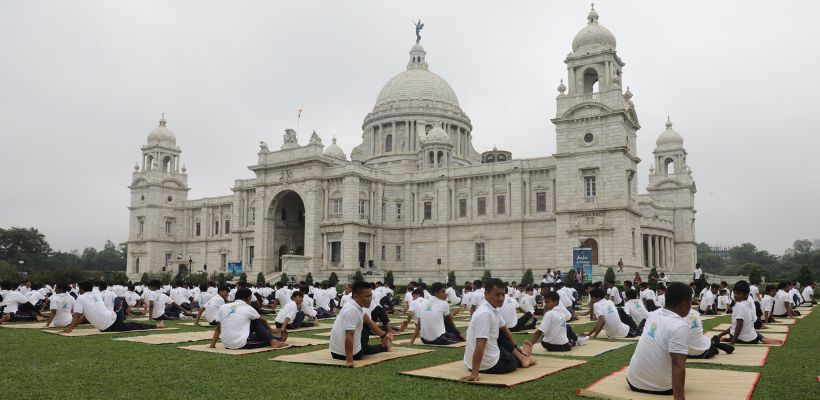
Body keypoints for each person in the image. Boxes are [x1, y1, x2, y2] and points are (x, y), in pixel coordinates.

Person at [461, 278, 536, 382]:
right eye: (497, 295)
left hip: (472, 363)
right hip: (491, 365)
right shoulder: (485, 314)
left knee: (500, 333)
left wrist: (516, 348)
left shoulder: (491, 309)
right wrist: (474, 373)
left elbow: (505, 330)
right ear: (486, 294)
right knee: (511, 358)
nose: (501, 298)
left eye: (503, 294)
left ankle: (522, 355)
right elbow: (480, 345)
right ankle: (525, 356)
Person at [625, 282, 692, 397]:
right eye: (691, 302)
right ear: (684, 304)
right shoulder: (679, 326)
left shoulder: (654, 314)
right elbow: (678, 365)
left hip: (633, 381)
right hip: (661, 388)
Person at [329, 281, 393, 367]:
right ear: (356, 296)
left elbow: (369, 321)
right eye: (367, 296)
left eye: (370, 296)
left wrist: (383, 335)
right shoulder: (352, 310)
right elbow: (349, 335)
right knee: (366, 342)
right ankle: (384, 347)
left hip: (335, 353)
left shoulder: (352, 305)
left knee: (366, 323)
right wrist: (349, 361)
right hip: (350, 355)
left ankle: (384, 345)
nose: (370, 299)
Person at [62, 281, 160, 333]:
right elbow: (82, 315)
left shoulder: (81, 298)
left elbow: (78, 315)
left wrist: (70, 328)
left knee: (130, 323)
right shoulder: (96, 293)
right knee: (130, 323)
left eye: (79, 288)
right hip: (111, 322)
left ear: (82, 289)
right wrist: (72, 326)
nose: (78, 290)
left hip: (110, 321)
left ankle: (155, 325)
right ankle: (156, 325)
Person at [209, 288, 287, 350]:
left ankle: (278, 339)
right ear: (246, 298)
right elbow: (263, 320)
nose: (250, 301)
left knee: (256, 335)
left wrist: (212, 345)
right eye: (250, 299)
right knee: (256, 321)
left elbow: (218, 328)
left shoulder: (224, 307)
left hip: (227, 344)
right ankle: (273, 341)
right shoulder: (248, 307)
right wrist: (271, 330)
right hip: (240, 344)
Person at [715, 281, 782, 345]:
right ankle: (763, 338)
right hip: (750, 336)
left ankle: (728, 339)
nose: (735, 295)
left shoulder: (739, 305)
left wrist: (732, 342)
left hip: (745, 338)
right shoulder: (747, 303)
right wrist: (719, 335)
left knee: (736, 331)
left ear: (746, 295)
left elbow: (739, 325)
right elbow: (736, 325)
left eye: (738, 293)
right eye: (735, 293)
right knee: (754, 333)